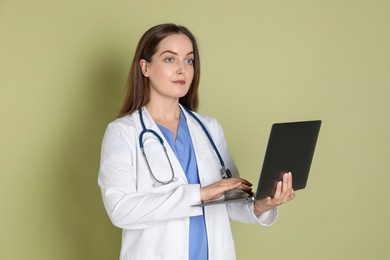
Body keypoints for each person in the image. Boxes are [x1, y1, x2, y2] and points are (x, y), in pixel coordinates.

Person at [98, 23, 295, 260]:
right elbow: (121, 211)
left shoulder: (209, 129)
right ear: (145, 67)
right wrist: (199, 194)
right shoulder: (123, 132)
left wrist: (263, 206)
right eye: (170, 59)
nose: (182, 70)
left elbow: (228, 201)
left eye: (189, 60)